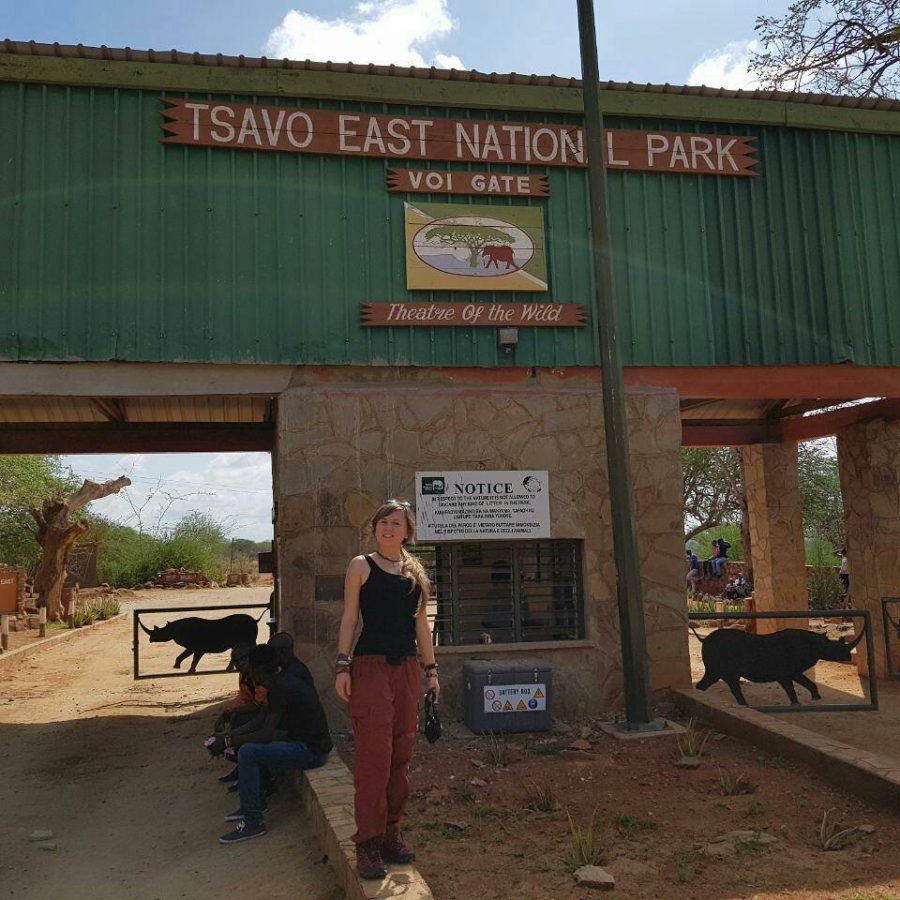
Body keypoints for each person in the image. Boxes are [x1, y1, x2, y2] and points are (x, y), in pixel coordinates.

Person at [335, 500, 439, 880]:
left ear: (407, 532)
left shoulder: (415, 573)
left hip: (407, 669)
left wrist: (431, 672)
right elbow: (350, 618)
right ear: (375, 528)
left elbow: (421, 626)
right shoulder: (361, 566)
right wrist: (342, 664)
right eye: (383, 522)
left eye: (396, 523)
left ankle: (391, 834)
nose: (388, 528)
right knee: (373, 759)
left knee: (400, 756)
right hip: (370, 668)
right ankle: (367, 842)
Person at [212, 643, 332, 844]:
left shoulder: (280, 687)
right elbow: (260, 720)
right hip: (302, 741)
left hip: (311, 752)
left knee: (249, 752)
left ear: (258, 669)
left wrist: (228, 741)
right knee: (247, 743)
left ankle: (253, 821)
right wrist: (228, 736)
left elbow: (265, 733)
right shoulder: (280, 680)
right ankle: (255, 801)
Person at [214, 644, 268, 784]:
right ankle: (242, 767)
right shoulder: (244, 675)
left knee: (240, 723)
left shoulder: (261, 675)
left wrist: (234, 712)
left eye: (243, 659)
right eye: (236, 661)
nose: (240, 664)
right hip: (260, 717)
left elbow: (259, 704)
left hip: (270, 720)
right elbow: (244, 697)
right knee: (237, 720)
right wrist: (228, 711)